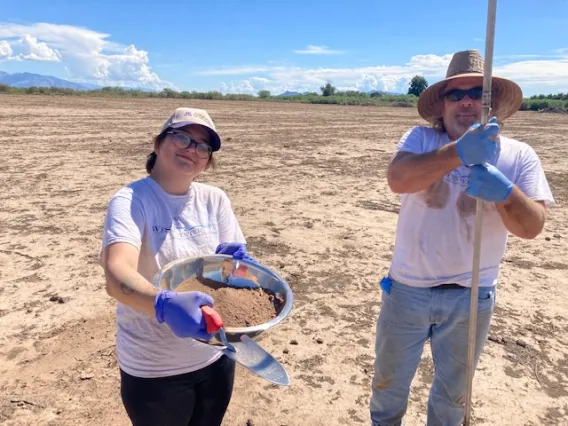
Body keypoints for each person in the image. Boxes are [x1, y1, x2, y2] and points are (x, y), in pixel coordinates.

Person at [369, 49, 555, 426]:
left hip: (473, 295)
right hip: (407, 289)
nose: (467, 100)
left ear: (493, 104)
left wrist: (506, 194)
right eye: (456, 94)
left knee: (454, 395)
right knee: (388, 387)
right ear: (442, 104)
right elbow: (398, 180)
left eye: (478, 93)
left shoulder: (519, 156)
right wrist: (458, 152)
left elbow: (532, 227)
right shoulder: (421, 139)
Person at [99, 107, 254, 426]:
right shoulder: (132, 200)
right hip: (154, 370)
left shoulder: (215, 200)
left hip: (215, 356)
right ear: (158, 144)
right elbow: (117, 276)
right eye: (182, 137)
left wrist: (238, 268)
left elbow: (236, 273)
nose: (192, 149)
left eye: (202, 146)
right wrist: (163, 304)